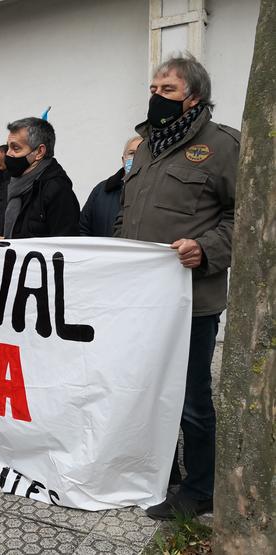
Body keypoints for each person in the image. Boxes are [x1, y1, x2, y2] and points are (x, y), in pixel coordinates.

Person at [114, 55, 239, 520]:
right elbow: (129, 213)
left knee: (190, 398)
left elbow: (245, 216)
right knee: (147, 391)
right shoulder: (146, 146)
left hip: (192, 301)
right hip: (140, 301)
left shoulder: (224, 146)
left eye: (167, 89)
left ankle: (200, 487)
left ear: (194, 96)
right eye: (153, 88)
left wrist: (206, 249)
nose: (156, 96)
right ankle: (159, 473)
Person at [0, 117, 79, 240]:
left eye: (15, 148)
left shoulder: (58, 190)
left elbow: (64, 247)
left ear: (39, 152)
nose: (8, 154)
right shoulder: (12, 184)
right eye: (8, 147)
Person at [79, 136, 143, 237]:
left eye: (141, 153)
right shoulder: (101, 191)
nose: (136, 158)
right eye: (131, 153)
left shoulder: (155, 193)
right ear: (123, 160)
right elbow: (83, 228)